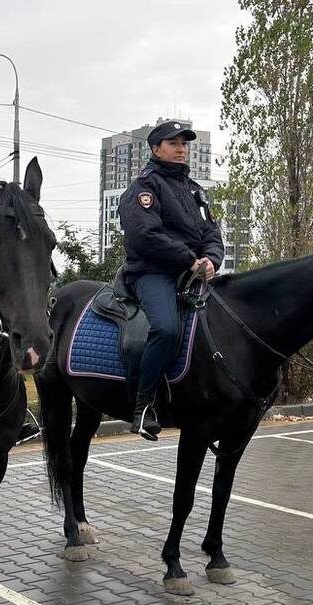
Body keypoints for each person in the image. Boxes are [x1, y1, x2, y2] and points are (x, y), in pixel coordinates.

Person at [117, 120, 224, 441]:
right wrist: (188, 259)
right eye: (173, 143)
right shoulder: (144, 187)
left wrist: (211, 260)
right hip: (152, 272)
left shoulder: (195, 191)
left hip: (192, 273)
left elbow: (212, 233)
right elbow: (144, 235)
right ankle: (144, 405)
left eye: (184, 144)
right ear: (155, 149)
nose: (181, 149)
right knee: (166, 328)